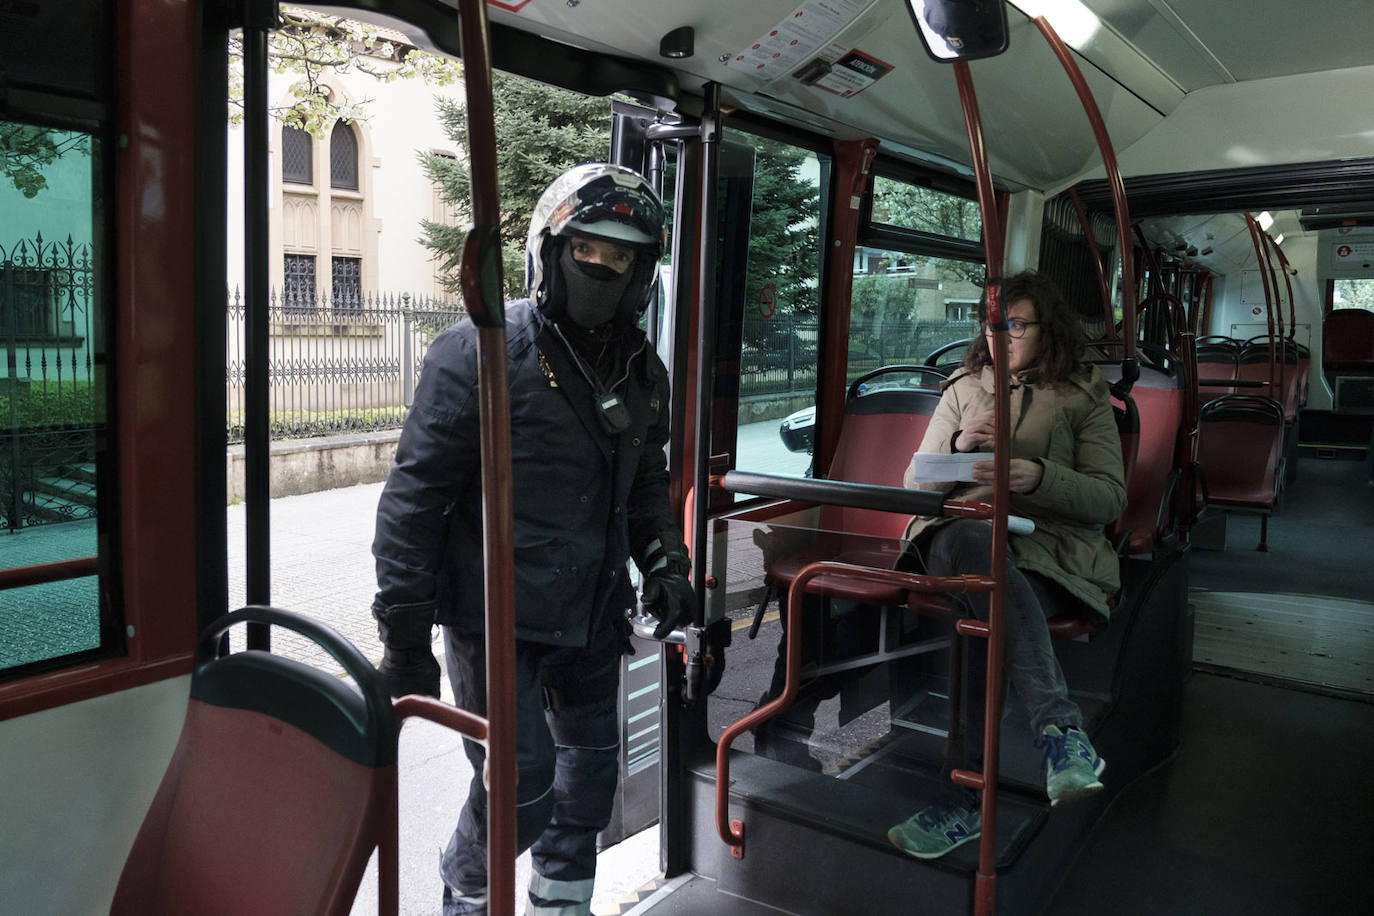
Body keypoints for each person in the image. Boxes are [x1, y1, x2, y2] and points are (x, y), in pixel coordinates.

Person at [371, 163, 694, 916]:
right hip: (497, 615)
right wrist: (405, 639)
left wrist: (666, 565)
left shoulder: (643, 372)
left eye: (622, 259)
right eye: (588, 250)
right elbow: (412, 504)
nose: (603, 270)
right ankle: (466, 890)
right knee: (523, 787)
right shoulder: (479, 352)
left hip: (591, 613)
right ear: (550, 251)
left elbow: (647, 484)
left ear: (643, 273)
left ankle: (559, 907)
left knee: (588, 788)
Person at [886, 270, 1126, 860]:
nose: (1001, 338)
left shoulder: (1083, 395)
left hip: (1043, 550)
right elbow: (915, 479)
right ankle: (1061, 732)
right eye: (993, 325)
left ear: (1049, 329)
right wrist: (963, 447)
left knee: (984, 608)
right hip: (956, 537)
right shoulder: (963, 389)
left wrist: (1039, 477)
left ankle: (961, 803)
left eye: (1015, 325)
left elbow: (1109, 498)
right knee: (975, 546)